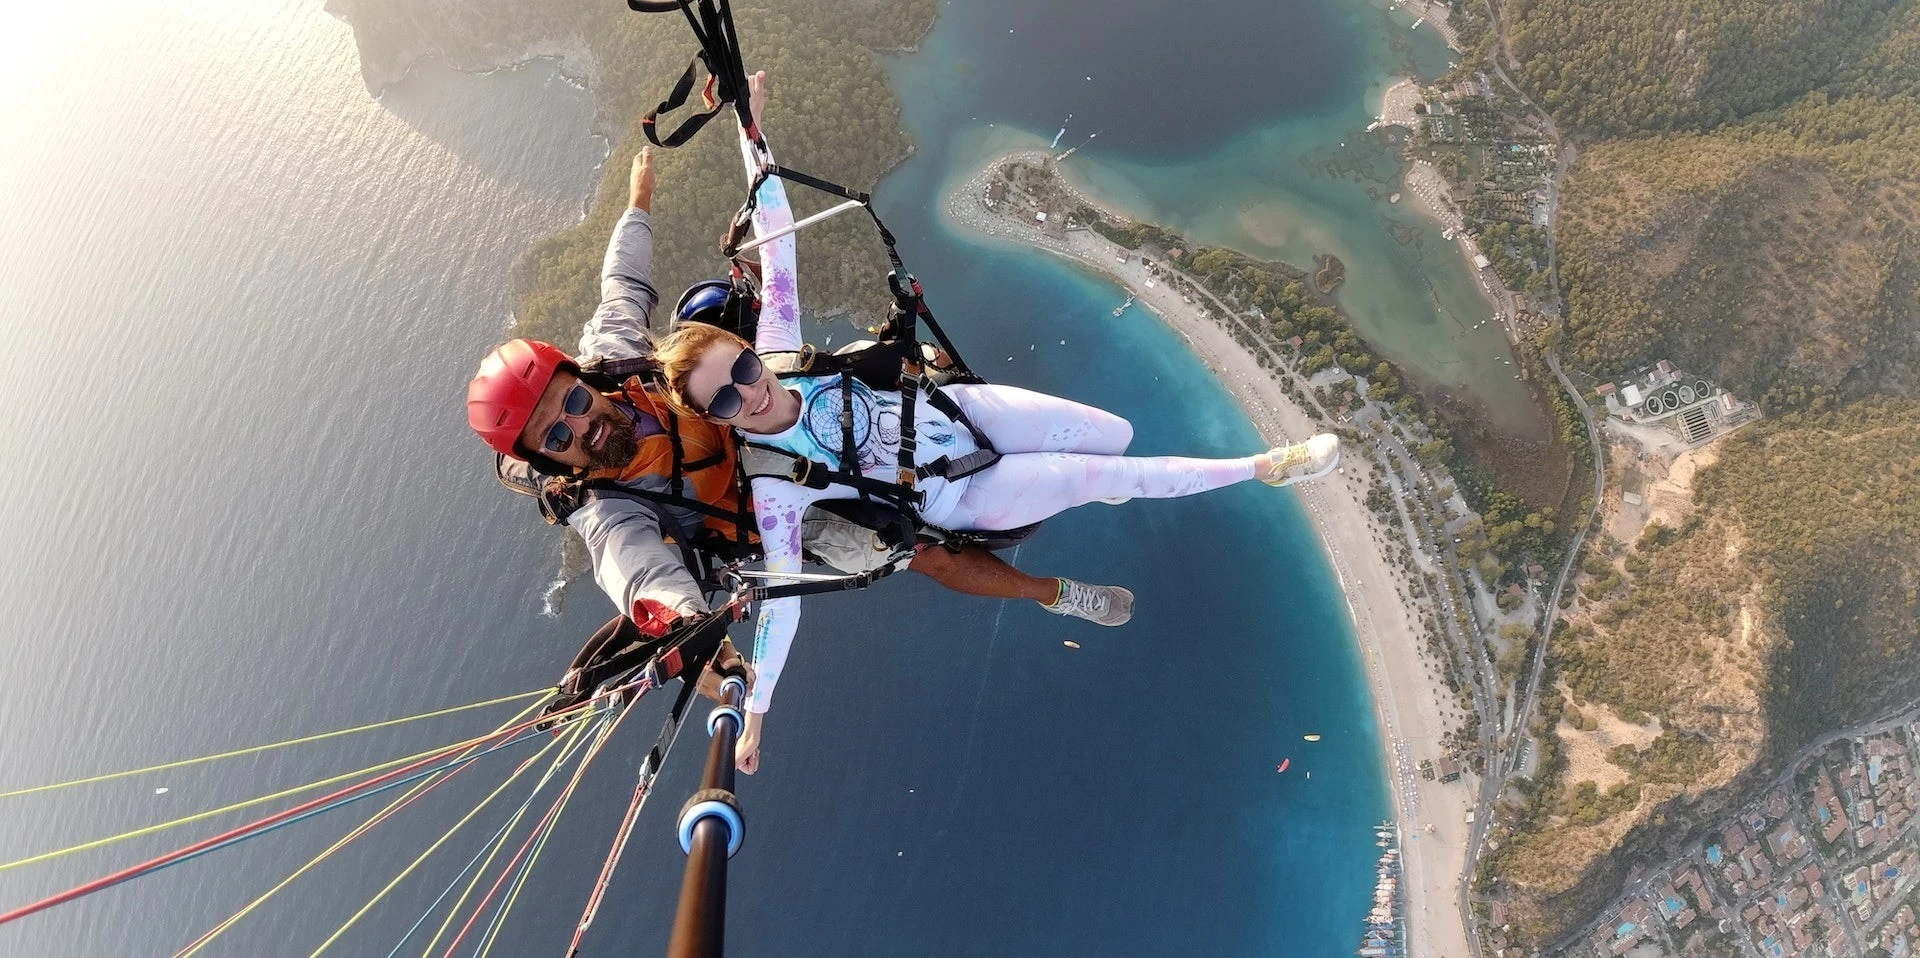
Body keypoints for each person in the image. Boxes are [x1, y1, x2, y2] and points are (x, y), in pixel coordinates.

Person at [651, 72, 1341, 772]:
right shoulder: (774, 489)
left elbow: (778, 241)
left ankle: (1089, 485)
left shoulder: (780, 353)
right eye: (728, 402)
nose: (751, 393)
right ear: (718, 422)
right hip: (954, 492)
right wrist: (756, 719)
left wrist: (751, 127)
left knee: (1116, 436)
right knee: (1105, 469)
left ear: (746, 349)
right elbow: (783, 609)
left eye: (741, 370)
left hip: (954, 412)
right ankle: (1268, 467)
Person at [465, 144, 1131, 654]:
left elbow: (623, 282)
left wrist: (638, 196)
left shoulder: (610, 358)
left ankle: (1059, 461)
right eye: (557, 438)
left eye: (572, 404)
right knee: (906, 543)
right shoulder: (609, 509)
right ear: (554, 465)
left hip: (751, 409)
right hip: (763, 502)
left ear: (582, 379)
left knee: (905, 368)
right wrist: (689, 629)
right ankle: (1053, 594)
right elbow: (636, 574)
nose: (580, 428)